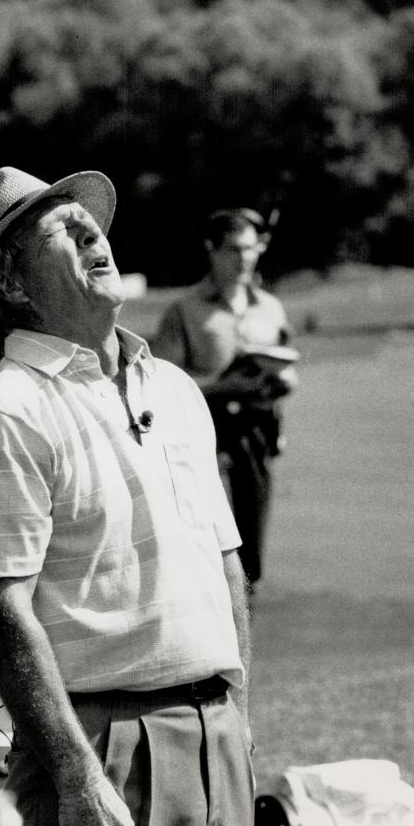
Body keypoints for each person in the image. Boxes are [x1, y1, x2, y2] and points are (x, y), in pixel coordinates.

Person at [0, 166, 255, 826]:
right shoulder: (3, 412)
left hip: (216, 734)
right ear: (11, 283)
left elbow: (226, 564)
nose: (91, 234)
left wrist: (238, 722)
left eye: (90, 222)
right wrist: (78, 778)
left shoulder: (172, 388)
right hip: (98, 749)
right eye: (61, 229)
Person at [151, 208, 297, 587]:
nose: (244, 258)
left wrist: (281, 382)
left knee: (251, 560)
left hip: (257, 439)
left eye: (250, 249)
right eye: (233, 249)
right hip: (205, 443)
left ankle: (241, 644)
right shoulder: (184, 311)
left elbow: (288, 368)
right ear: (211, 249)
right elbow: (162, 384)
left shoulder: (270, 307)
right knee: (211, 558)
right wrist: (224, 387)